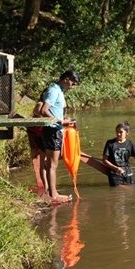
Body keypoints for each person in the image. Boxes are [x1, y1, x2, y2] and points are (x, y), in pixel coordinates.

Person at [36, 70, 81, 203]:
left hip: (55, 130)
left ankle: (52, 192)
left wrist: (64, 119)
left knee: (52, 163)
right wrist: (60, 121)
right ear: (67, 79)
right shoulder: (53, 91)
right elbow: (43, 110)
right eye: (73, 83)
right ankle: (54, 195)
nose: (73, 86)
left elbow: (54, 110)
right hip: (52, 130)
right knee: (52, 165)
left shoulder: (58, 91)